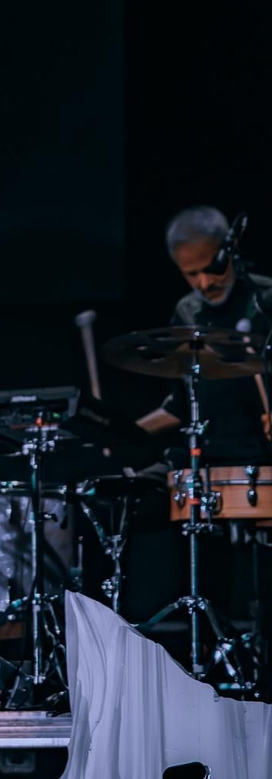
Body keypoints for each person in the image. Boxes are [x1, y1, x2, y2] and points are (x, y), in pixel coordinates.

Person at [135, 205, 269, 698]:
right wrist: (121, 433)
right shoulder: (188, 314)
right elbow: (177, 403)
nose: (201, 283)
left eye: (209, 267)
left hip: (263, 459)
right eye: (188, 273)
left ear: (229, 250)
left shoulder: (265, 300)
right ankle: (217, 677)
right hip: (209, 463)